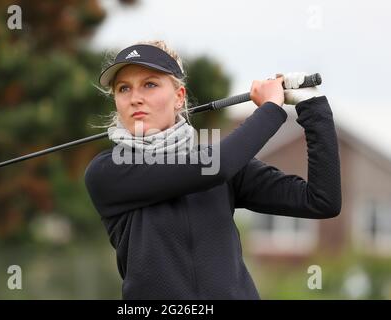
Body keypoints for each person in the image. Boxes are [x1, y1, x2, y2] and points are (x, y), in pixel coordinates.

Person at [84, 40, 341, 299]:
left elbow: (321, 201)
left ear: (179, 97)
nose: (135, 98)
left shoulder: (216, 162)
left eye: (149, 84)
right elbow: (215, 167)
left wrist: (314, 107)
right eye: (123, 88)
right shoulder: (109, 169)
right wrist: (271, 109)